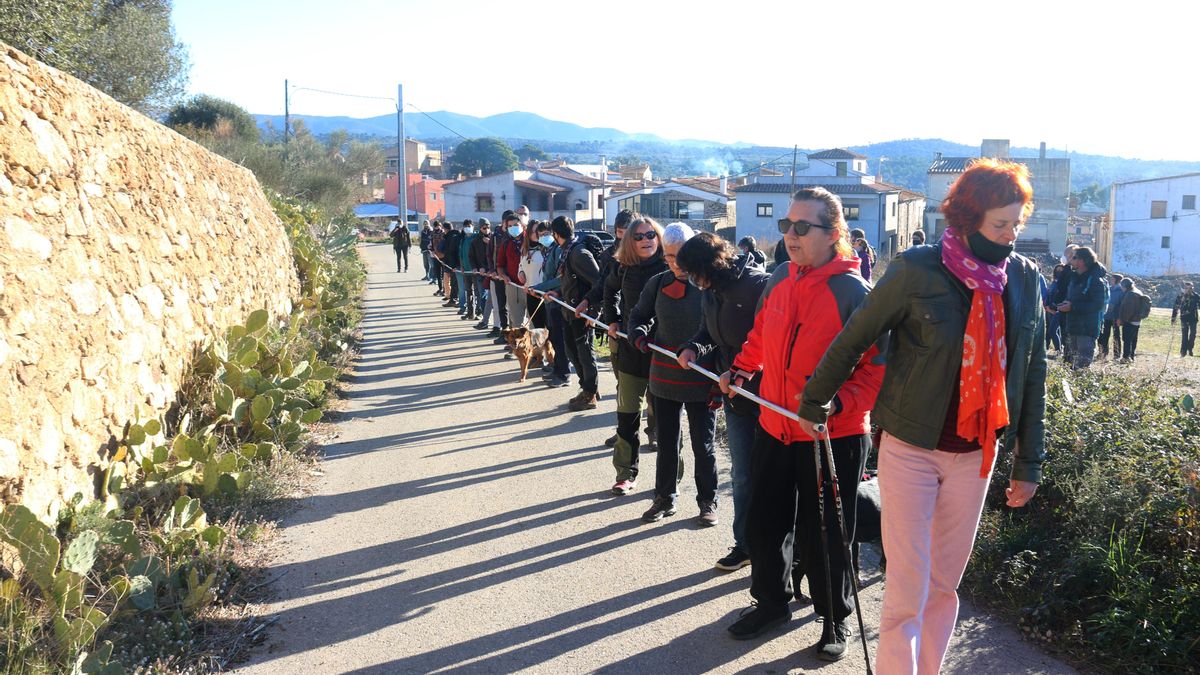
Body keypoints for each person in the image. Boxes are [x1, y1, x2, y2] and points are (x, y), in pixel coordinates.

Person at [797, 159, 1046, 672]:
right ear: (967, 218)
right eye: (1001, 224)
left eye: (1017, 223)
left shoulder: (1022, 278)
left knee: (944, 587)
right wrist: (814, 401)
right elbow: (854, 340)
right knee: (908, 588)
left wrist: (1029, 463)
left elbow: (1033, 371)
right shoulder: (916, 270)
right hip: (911, 447)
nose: (1011, 235)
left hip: (978, 451)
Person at [721, 187, 884, 662]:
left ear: (833, 235)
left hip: (832, 436)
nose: (789, 235)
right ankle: (771, 603)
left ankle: (835, 617)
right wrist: (742, 368)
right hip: (774, 424)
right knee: (764, 524)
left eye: (801, 227)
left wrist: (840, 403)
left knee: (828, 534)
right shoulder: (779, 279)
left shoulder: (855, 293)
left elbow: (878, 369)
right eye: (785, 225)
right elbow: (761, 334)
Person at [677, 232, 771, 571]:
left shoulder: (759, 285)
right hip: (735, 398)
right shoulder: (711, 291)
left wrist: (744, 373)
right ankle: (744, 545)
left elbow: (774, 341)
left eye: (693, 272)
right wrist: (692, 348)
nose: (690, 280)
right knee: (743, 475)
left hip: (770, 399)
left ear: (710, 265)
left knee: (772, 478)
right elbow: (707, 334)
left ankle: (781, 552)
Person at [628, 223, 719, 525]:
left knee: (702, 445)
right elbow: (639, 316)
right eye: (668, 256)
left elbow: (718, 334)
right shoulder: (657, 283)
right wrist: (639, 335)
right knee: (667, 443)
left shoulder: (710, 285)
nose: (675, 263)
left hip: (701, 379)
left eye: (680, 255)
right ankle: (664, 498)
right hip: (663, 377)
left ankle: (708, 501)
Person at [601, 215, 668, 495]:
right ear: (629, 240)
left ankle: (669, 484)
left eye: (650, 235)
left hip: (664, 355)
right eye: (639, 236)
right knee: (627, 416)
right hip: (630, 351)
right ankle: (625, 474)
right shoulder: (623, 267)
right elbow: (609, 291)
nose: (645, 240)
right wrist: (613, 319)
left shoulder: (671, 265)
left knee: (667, 421)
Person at [580, 210, 643, 448]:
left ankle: (654, 431)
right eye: (619, 233)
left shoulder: (654, 256)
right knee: (623, 384)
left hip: (651, 333)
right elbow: (604, 287)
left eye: (628, 233)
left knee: (654, 391)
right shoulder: (611, 256)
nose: (623, 238)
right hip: (621, 329)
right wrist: (590, 305)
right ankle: (624, 431)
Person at [551, 217, 602, 410]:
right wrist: (556, 292)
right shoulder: (568, 251)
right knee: (573, 352)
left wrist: (594, 312)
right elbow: (569, 282)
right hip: (569, 312)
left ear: (556, 234)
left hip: (583, 315)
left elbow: (599, 283)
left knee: (585, 354)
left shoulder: (579, 253)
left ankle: (590, 393)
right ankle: (587, 389)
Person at [531, 219, 572, 388]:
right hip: (549, 300)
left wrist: (539, 288)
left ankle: (564, 374)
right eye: (541, 235)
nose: (545, 237)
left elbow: (559, 279)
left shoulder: (558, 251)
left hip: (557, 300)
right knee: (554, 338)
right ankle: (557, 368)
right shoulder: (547, 250)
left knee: (560, 340)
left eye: (548, 234)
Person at [1058, 246, 1109, 370]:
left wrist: (1072, 307)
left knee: (1082, 366)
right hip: (1073, 326)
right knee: (1071, 364)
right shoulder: (1074, 278)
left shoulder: (1096, 280)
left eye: (1074, 257)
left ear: (1083, 261)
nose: (1070, 260)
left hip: (1087, 329)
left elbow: (1097, 304)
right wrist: (1065, 304)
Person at [498, 212, 527, 342]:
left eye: (516, 225)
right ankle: (516, 346)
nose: (513, 228)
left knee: (533, 320)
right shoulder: (505, 243)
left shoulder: (530, 240)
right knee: (516, 320)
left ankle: (534, 352)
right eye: (510, 226)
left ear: (522, 224)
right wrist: (504, 276)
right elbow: (500, 265)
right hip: (512, 286)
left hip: (531, 286)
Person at [519, 222, 549, 329]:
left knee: (549, 328)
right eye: (533, 232)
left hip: (543, 293)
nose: (536, 234)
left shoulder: (546, 249)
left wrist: (541, 289)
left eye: (538, 232)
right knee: (537, 327)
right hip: (530, 292)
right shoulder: (524, 249)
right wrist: (521, 272)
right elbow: (521, 265)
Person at [1116, 277, 1150, 362]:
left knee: (1127, 339)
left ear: (1125, 286)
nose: (1121, 288)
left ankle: (1126, 357)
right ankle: (1131, 357)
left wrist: (1123, 320)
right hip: (1137, 320)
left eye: (1122, 286)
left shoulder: (1130, 294)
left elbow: (1128, 310)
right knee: (1133, 339)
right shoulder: (1137, 291)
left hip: (1130, 321)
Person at [470, 219, 493, 330]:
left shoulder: (494, 239)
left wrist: (490, 243)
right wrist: (476, 268)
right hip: (481, 274)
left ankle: (495, 323)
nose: (487, 229)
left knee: (494, 299)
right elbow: (471, 256)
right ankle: (484, 319)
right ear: (480, 228)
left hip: (493, 273)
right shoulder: (475, 241)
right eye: (484, 227)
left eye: (488, 227)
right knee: (483, 296)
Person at [1099, 273, 1125, 360]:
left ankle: (1117, 355)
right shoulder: (1109, 288)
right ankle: (1103, 353)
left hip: (1115, 316)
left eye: (1113, 279)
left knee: (1116, 336)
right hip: (1106, 316)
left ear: (1117, 280)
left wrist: (1119, 317)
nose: (1111, 280)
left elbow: (1122, 304)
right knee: (1104, 335)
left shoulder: (1121, 291)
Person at [458, 219, 480, 321]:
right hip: (466, 270)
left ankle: (479, 312)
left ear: (473, 226)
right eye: (466, 226)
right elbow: (461, 254)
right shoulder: (463, 240)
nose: (468, 228)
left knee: (478, 292)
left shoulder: (477, 237)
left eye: (469, 226)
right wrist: (461, 266)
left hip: (475, 269)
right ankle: (470, 312)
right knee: (468, 291)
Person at [440, 222, 463, 309]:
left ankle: (453, 300)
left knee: (454, 283)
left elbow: (449, 251)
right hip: (454, 263)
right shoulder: (455, 235)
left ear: (445, 229)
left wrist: (451, 265)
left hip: (452, 263)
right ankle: (453, 299)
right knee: (454, 283)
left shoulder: (450, 237)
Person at [1172, 281, 1199, 357]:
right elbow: (1175, 307)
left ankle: (1190, 349)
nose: (1188, 289)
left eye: (1190, 288)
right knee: (1184, 336)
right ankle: (1183, 352)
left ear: (1192, 288)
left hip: (1193, 318)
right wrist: (1173, 318)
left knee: (1193, 335)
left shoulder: (1195, 296)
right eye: (1186, 288)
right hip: (1184, 318)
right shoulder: (1180, 296)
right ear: (1184, 288)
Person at [1044, 264, 1065, 353]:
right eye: (1057, 270)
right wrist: (1047, 307)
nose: (1058, 272)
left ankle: (1058, 351)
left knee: (1052, 331)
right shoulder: (1053, 283)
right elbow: (1049, 295)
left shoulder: (1063, 284)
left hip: (1058, 311)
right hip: (1049, 310)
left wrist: (1056, 309)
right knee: (1053, 331)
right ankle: (1055, 349)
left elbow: (1062, 298)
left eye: (1061, 271)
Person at [430, 221, 446, 296]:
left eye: (439, 226)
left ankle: (445, 289)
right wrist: (431, 248)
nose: (437, 227)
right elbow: (432, 243)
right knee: (438, 274)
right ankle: (440, 289)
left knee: (444, 274)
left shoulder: (444, 233)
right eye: (436, 226)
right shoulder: (432, 233)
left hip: (443, 256)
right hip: (435, 255)